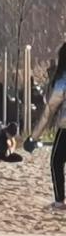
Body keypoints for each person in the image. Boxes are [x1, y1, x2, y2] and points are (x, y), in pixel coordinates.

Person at [31, 42, 66, 212]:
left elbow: (49, 111)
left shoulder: (62, 81)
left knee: (56, 161)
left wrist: (34, 137)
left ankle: (60, 200)